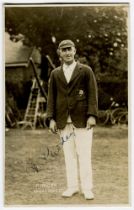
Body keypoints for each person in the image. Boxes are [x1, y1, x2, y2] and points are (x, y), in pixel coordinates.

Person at [46, 40, 98, 200]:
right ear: (59, 53)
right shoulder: (55, 74)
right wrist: (51, 119)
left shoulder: (86, 70)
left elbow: (92, 93)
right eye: (64, 50)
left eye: (70, 49)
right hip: (62, 121)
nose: (67, 52)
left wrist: (92, 115)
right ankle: (72, 187)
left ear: (75, 51)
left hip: (82, 120)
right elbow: (51, 98)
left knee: (84, 154)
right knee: (69, 156)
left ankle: (87, 188)